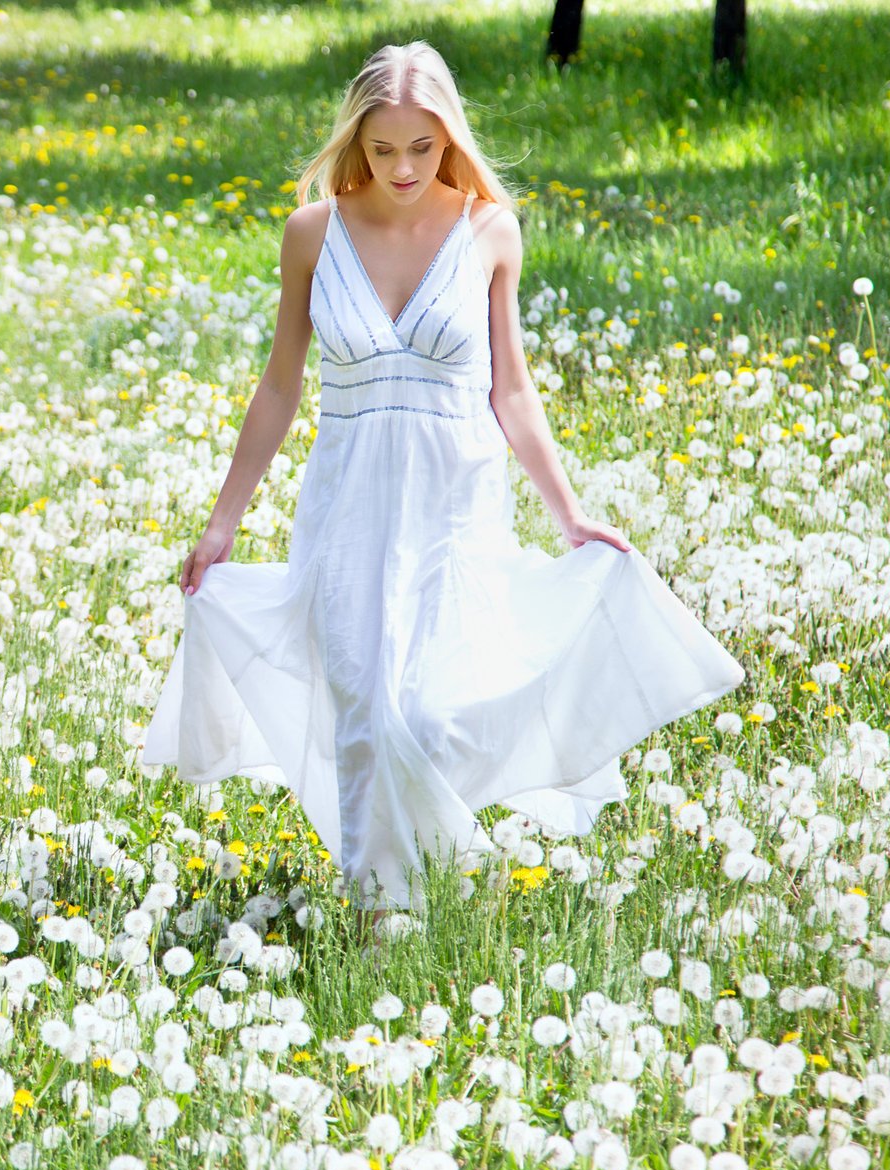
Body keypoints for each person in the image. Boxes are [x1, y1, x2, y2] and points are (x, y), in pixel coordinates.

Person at [139, 40, 745, 928]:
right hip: (346, 504)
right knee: (361, 717)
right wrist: (225, 520)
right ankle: (386, 920)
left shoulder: (489, 229)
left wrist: (569, 513)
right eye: (383, 149)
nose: (403, 168)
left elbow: (511, 387)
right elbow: (279, 386)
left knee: (423, 716)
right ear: (357, 140)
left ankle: (436, 878)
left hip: (453, 503)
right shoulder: (312, 233)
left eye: (422, 147)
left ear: (448, 137)